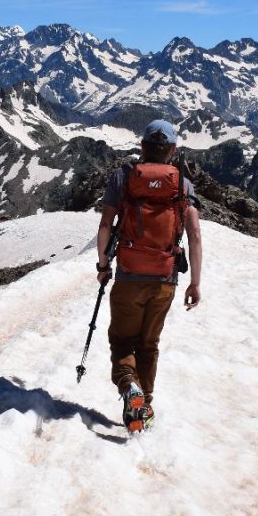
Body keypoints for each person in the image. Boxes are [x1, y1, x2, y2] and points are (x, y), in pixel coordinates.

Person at [96, 119, 202, 432]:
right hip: (165, 279)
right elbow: (194, 233)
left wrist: (103, 266)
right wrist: (195, 282)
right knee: (148, 343)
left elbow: (105, 226)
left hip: (129, 275)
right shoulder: (182, 183)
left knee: (122, 340)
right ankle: (144, 407)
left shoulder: (125, 177)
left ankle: (130, 387)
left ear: (142, 147)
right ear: (172, 151)